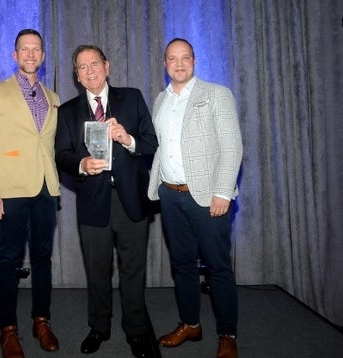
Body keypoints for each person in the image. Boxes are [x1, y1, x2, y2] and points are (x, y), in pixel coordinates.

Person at [55, 45, 160, 358]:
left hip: (131, 202)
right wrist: (80, 165)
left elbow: (152, 144)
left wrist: (127, 139)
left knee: (133, 271)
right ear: (77, 75)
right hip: (93, 204)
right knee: (97, 271)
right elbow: (61, 155)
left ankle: (137, 331)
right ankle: (99, 327)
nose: (89, 70)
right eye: (82, 67)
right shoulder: (68, 111)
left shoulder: (133, 97)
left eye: (94, 63)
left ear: (107, 65)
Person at [147, 38, 243, 358]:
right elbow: (160, 148)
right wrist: (156, 187)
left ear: (194, 60)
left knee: (218, 268)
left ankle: (227, 333)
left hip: (208, 198)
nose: (178, 63)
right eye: (172, 59)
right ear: (165, 64)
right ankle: (190, 324)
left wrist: (222, 192)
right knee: (182, 265)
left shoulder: (216, 94)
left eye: (184, 57)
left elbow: (232, 147)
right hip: (171, 197)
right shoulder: (160, 100)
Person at [0, 29, 60, 358]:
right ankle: (8, 330)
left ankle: (41, 321)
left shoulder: (53, 97)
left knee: (42, 259)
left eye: (36, 49)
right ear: (15, 55)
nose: (30, 54)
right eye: (24, 49)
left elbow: (50, 145)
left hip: (45, 188)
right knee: (8, 259)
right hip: (9, 189)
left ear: (42, 55)